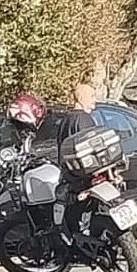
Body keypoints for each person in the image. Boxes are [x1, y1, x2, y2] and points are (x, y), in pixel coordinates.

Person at [52, 84, 98, 244]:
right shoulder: (84, 119)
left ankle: (75, 238)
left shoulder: (65, 120)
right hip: (85, 173)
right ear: (80, 98)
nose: (95, 101)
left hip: (71, 174)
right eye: (92, 97)